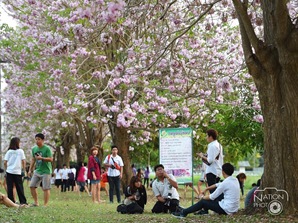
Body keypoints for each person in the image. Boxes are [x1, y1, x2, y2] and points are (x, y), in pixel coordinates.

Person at [172, 163, 240, 218]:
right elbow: (217, 184)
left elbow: (212, 197)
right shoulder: (235, 180)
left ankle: (184, 212)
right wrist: (206, 188)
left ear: (223, 172)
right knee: (216, 195)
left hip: (227, 209)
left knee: (203, 202)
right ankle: (203, 210)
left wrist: (201, 197)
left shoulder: (225, 183)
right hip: (234, 208)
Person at [197, 129, 223, 214]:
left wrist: (201, 156)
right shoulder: (218, 145)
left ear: (210, 137)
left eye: (206, 136)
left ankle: (212, 209)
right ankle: (208, 209)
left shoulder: (212, 146)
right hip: (215, 170)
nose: (206, 138)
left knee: (213, 192)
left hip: (213, 171)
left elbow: (210, 160)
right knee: (215, 191)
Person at [28, 133, 53, 207]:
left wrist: (42, 158)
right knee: (32, 186)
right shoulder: (34, 149)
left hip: (46, 171)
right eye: (36, 139)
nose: (37, 141)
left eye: (39, 139)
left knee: (46, 188)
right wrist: (30, 170)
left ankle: (45, 204)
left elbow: (51, 159)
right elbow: (33, 159)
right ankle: (36, 202)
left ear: (43, 140)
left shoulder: (47, 148)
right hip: (37, 170)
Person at [3, 137, 27, 205]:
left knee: (10, 187)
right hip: (17, 172)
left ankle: (11, 202)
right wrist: (24, 170)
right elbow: (23, 161)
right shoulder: (20, 151)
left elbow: (5, 162)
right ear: (17, 143)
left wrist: (7, 169)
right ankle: (23, 202)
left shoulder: (9, 151)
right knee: (19, 187)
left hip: (9, 171)